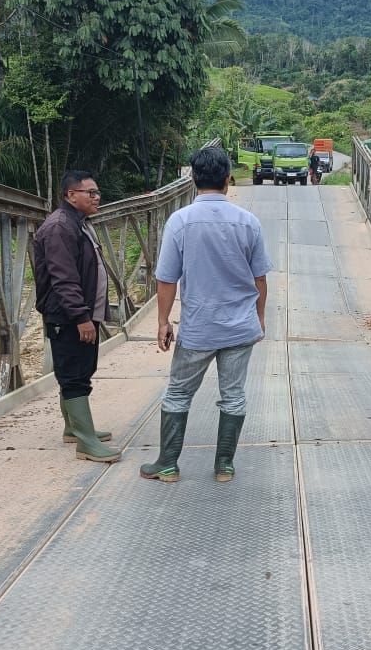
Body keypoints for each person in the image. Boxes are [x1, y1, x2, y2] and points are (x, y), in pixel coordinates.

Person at [140, 147, 272, 483]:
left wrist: (162, 320)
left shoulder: (181, 221)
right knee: (234, 394)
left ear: (192, 179)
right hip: (240, 326)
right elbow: (260, 279)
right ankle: (224, 465)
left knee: (179, 392)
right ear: (228, 179)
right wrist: (259, 318)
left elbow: (167, 277)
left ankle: (167, 464)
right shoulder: (248, 222)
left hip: (199, 326)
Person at [33, 170, 123, 463]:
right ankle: (85, 443)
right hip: (68, 316)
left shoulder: (79, 223)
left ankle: (74, 428)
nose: (97, 197)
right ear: (71, 195)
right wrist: (81, 317)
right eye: (91, 193)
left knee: (79, 370)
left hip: (80, 312)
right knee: (74, 375)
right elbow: (64, 279)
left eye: (98, 193)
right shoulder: (60, 227)